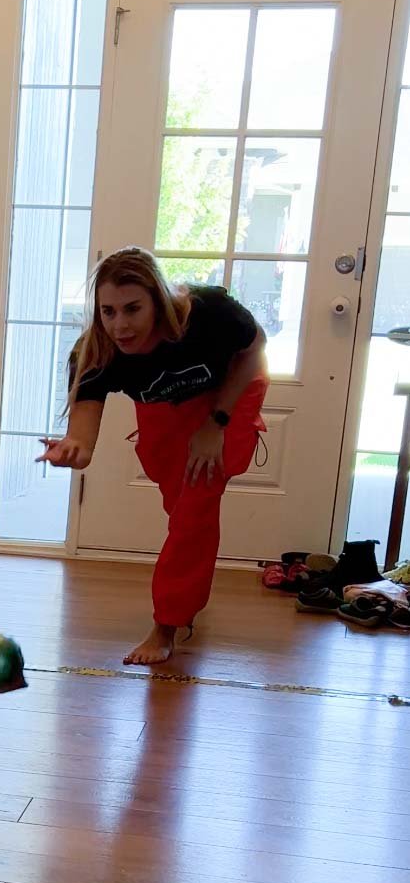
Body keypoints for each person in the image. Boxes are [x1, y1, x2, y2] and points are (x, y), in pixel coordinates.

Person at [39, 247, 269, 666]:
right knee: (177, 499)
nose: (120, 325)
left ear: (158, 301)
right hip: (167, 404)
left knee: (195, 507)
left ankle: (166, 626)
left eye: (132, 309)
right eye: (108, 311)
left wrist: (215, 424)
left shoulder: (209, 313)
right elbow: (84, 445)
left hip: (233, 390)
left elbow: (255, 349)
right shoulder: (96, 354)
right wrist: (72, 450)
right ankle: (187, 587)